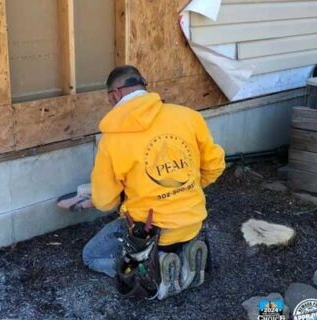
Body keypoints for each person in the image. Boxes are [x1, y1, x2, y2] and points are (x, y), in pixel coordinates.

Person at [82, 65, 225, 300]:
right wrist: (186, 191)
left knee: (90, 255)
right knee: (181, 231)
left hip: (149, 232)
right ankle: (184, 259)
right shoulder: (188, 116)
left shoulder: (112, 140)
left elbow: (104, 201)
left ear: (116, 94)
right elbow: (215, 165)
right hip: (192, 221)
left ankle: (152, 271)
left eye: (109, 98)